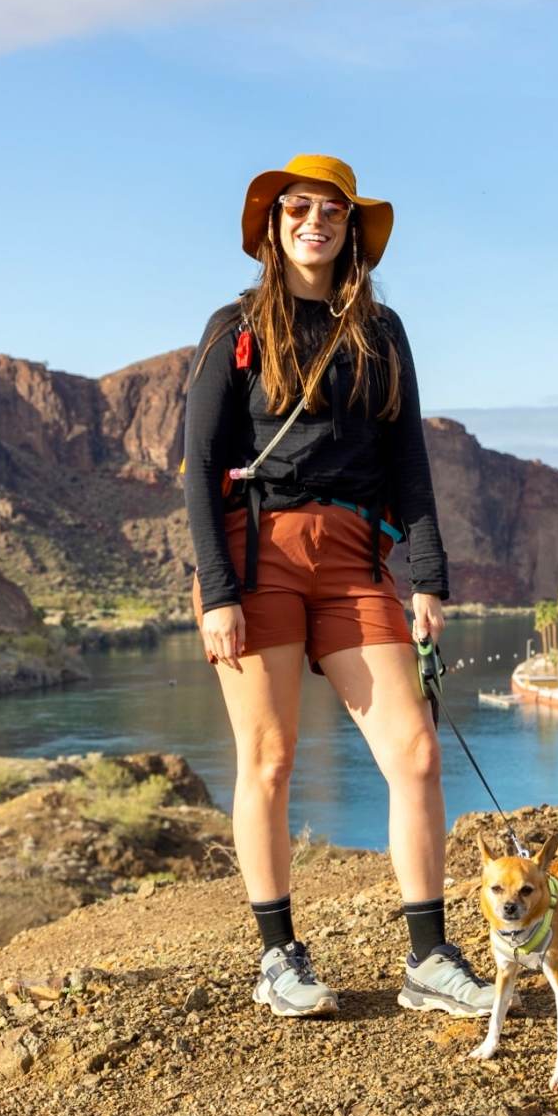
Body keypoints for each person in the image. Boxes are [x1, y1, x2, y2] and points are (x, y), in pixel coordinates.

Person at [183, 153, 494, 1020]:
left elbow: (409, 461)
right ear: (273, 224)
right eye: (298, 209)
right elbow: (199, 467)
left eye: (331, 210)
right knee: (270, 758)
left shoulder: (381, 333)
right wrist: (217, 591)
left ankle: (428, 960)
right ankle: (279, 957)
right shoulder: (235, 327)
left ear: (352, 228)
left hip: (356, 559)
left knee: (416, 752)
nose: (313, 222)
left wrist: (427, 577)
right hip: (258, 555)